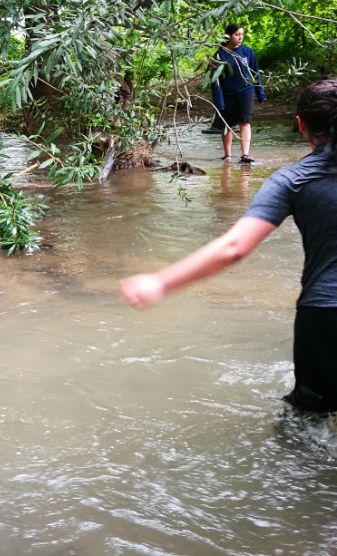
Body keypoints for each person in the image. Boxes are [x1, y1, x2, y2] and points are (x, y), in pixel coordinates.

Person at [120, 77, 337, 414]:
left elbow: (235, 246)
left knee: (307, 418)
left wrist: (161, 282)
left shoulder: (292, 179)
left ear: (301, 125)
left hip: (324, 313)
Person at [211, 23, 266, 163]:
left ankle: (245, 154)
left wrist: (260, 93)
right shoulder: (219, 54)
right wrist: (219, 101)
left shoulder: (248, 52)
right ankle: (228, 154)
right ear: (229, 36)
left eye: (242, 34)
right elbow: (215, 81)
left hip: (246, 91)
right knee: (227, 124)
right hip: (227, 93)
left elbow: (255, 73)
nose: (240, 37)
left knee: (245, 122)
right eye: (237, 34)